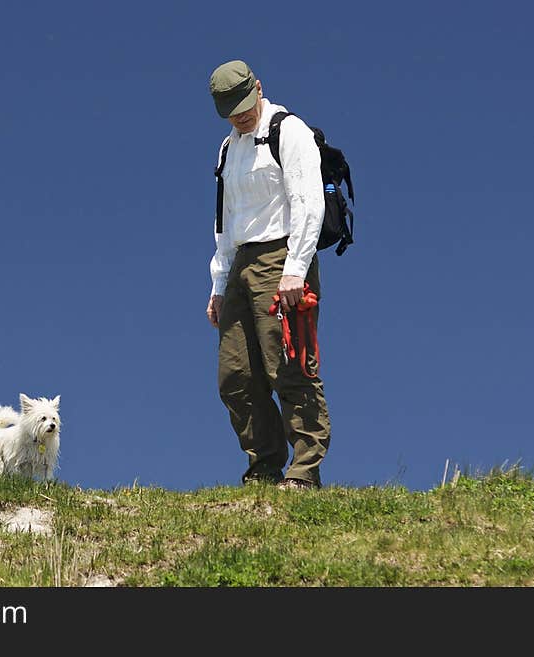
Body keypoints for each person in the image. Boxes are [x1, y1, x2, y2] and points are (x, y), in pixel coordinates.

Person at [206, 60, 331, 490]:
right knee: (236, 375)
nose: (240, 115)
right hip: (240, 264)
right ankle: (263, 467)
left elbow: (309, 202)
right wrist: (218, 286)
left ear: (258, 88)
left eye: (244, 104)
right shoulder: (227, 148)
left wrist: (296, 270)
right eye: (230, 110)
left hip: (282, 256)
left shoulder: (288, 131)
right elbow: (226, 221)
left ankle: (304, 470)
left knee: (288, 365)